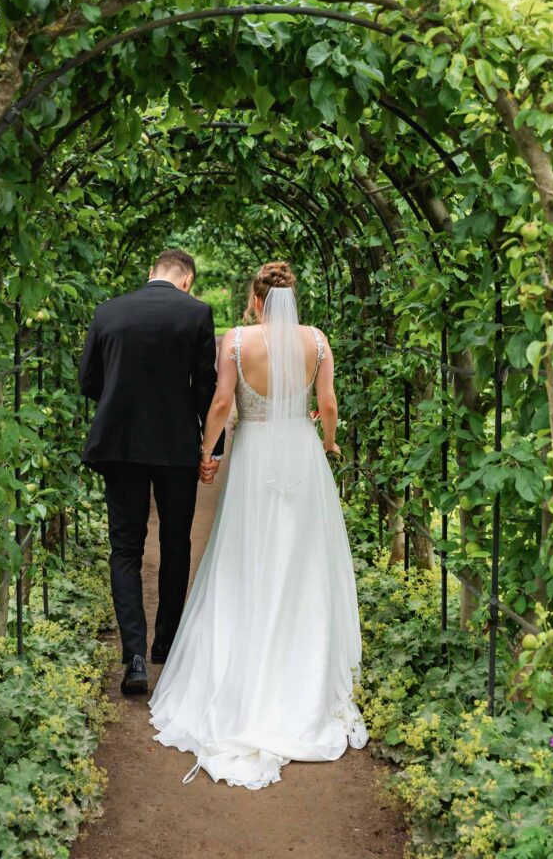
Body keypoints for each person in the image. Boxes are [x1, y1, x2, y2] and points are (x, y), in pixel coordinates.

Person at [148, 261, 369, 789]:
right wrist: (330, 442)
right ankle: (302, 669)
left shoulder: (237, 340)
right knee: (303, 562)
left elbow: (222, 403)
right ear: (292, 297)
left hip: (253, 458)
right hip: (300, 453)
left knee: (247, 557)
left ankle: (242, 670)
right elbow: (328, 404)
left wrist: (207, 452)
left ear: (254, 299)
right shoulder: (316, 341)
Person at [78, 249, 225, 695]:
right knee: (175, 542)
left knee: (125, 546)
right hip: (175, 446)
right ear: (187, 280)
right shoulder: (196, 313)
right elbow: (206, 386)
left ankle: (135, 654)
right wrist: (211, 448)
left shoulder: (108, 311)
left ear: (151, 273)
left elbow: (88, 381)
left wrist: (121, 401)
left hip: (119, 444)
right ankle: (166, 644)